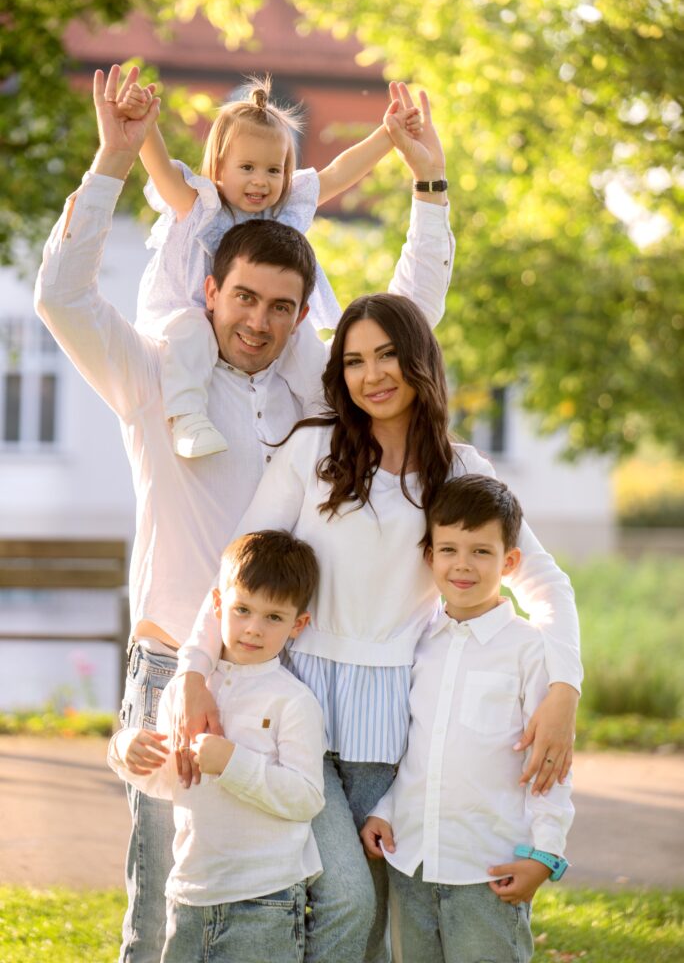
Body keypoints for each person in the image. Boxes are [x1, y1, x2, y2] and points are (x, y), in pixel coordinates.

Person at [34, 63, 454, 963]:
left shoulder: (314, 379)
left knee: (313, 899)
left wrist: (429, 188)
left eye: (281, 308)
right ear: (210, 291)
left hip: (291, 668)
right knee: (165, 911)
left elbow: (409, 320)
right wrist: (112, 158)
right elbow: (62, 297)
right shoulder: (151, 373)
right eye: (244, 300)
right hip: (171, 666)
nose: (258, 323)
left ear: (305, 316)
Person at [176, 294, 582, 963]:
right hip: (292, 702)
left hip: (390, 719)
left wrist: (563, 689)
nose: (373, 375)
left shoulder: (462, 468)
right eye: (356, 360)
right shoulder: (312, 449)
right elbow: (238, 568)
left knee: (365, 913)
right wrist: (196, 667)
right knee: (340, 898)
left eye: (388, 355)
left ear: (419, 359)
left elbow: (544, 582)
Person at [119, 73, 422, 458]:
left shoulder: (282, 209)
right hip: (192, 313)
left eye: (273, 170)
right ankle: (188, 418)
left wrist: (387, 136)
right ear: (219, 168)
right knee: (192, 334)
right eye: (247, 168)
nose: (261, 182)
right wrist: (144, 127)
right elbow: (161, 173)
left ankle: (333, 424)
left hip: (257, 323)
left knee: (305, 347)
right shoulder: (201, 207)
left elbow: (338, 173)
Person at [360, 474, 574, 963]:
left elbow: (552, 766)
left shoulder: (530, 651)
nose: (462, 565)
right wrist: (386, 810)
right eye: (449, 549)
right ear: (429, 556)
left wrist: (546, 854)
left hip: (489, 872)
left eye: (481, 551)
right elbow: (415, 750)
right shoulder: (417, 643)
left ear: (510, 561)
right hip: (410, 864)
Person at [108, 530, 326, 963]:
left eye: (273, 617)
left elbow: (307, 798)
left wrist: (233, 764)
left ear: (298, 625)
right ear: (218, 605)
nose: (253, 628)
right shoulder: (186, 693)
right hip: (190, 890)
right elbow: (170, 778)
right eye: (242, 609)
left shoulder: (294, 701)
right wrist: (125, 749)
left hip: (264, 899)